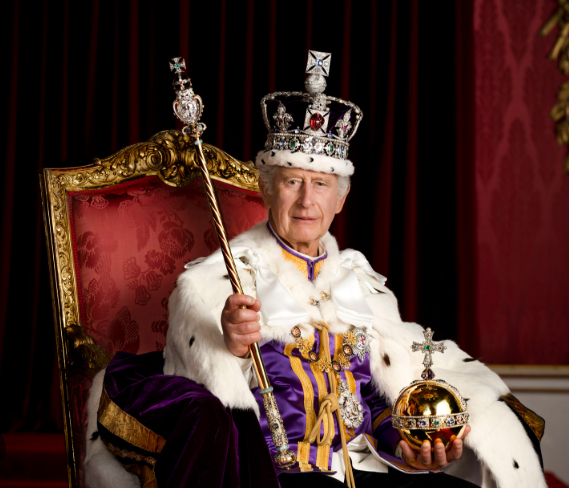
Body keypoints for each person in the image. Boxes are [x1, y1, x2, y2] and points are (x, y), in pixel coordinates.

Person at [84, 51, 546, 488]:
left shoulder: (362, 285)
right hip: (275, 474)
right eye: (293, 181)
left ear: (341, 198)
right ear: (267, 189)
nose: (307, 201)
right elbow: (198, 408)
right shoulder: (214, 284)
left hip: (360, 468)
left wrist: (407, 445)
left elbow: (374, 401)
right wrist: (228, 343)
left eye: (321, 184)